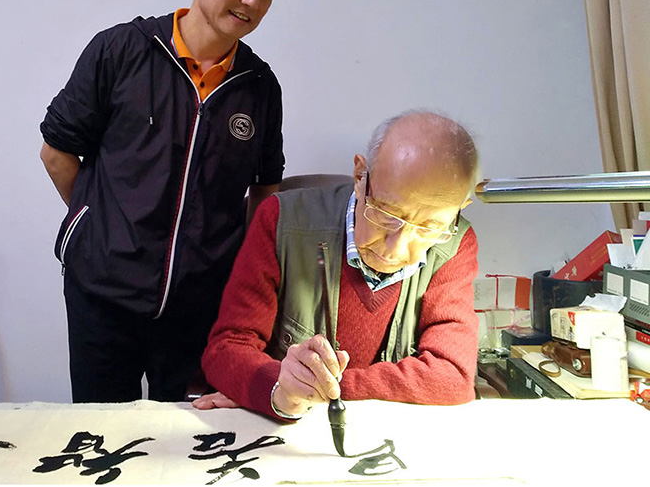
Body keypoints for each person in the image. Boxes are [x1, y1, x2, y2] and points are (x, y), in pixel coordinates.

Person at [40, 0, 288, 403]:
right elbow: (57, 153)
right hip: (102, 295)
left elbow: (265, 189)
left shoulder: (260, 86)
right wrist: (101, 225)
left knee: (190, 432)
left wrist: (239, 269)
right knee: (101, 430)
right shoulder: (122, 50)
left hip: (201, 304)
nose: (252, 1)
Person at [193, 110, 480, 419]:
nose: (397, 248)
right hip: (288, 432)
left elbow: (452, 377)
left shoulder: (455, 245)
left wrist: (305, 389)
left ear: (458, 209)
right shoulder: (280, 220)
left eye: (428, 227)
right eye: (387, 214)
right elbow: (227, 348)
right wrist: (275, 391)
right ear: (360, 177)